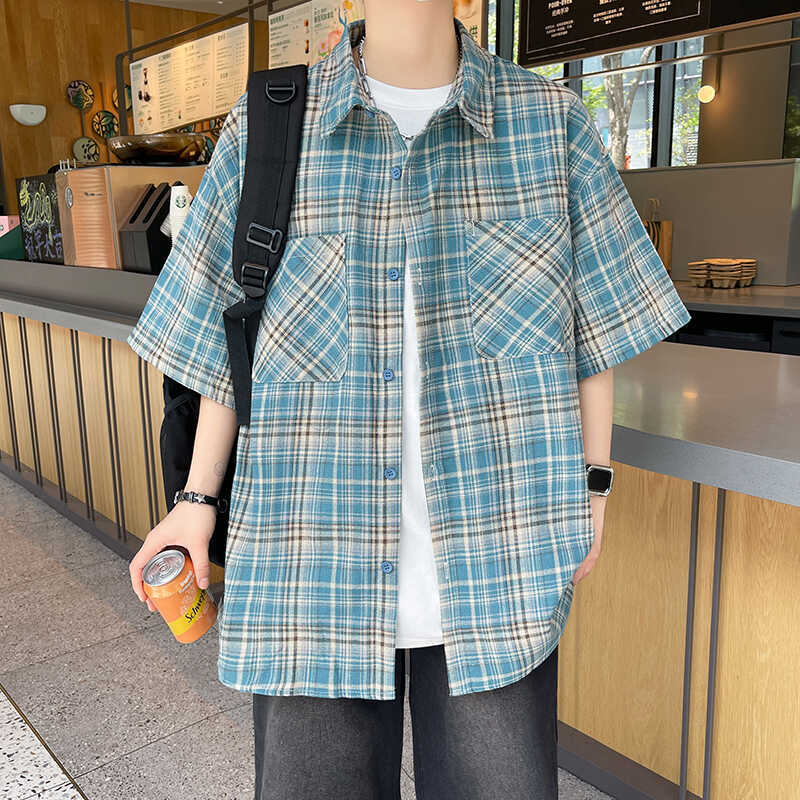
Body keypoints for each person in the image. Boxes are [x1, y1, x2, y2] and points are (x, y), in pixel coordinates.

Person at [127, 2, 692, 798]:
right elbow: (229, 338)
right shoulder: (268, 126)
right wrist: (195, 502)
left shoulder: (550, 123)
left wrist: (594, 485)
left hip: (499, 567)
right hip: (309, 565)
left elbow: (591, 330)